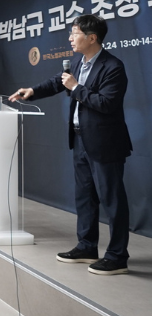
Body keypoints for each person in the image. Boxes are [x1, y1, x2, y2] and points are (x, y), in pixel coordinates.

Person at [10, 14, 132, 276]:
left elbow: (107, 104)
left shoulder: (113, 67)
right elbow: (58, 81)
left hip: (105, 143)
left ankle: (117, 256)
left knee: (112, 200)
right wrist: (33, 91)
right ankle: (87, 246)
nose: (70, 38)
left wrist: (76, 88)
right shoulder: (77, 62)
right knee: (85, 197)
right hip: (80, 139)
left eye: (75, 33)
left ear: (92, 38)